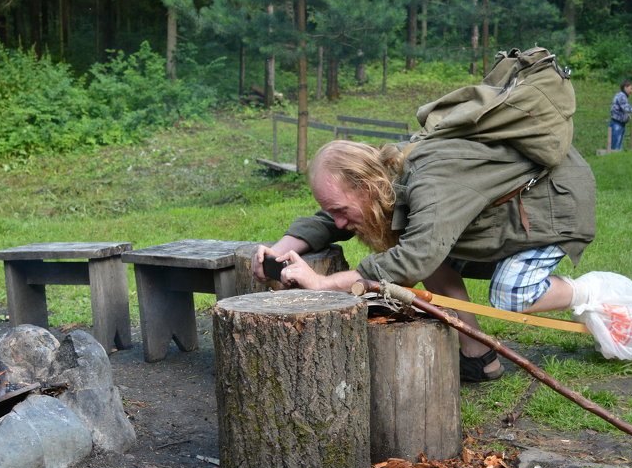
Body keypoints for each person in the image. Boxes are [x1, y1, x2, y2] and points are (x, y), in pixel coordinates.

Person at [252, 137, 597, 382]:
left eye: (342, 210)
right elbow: (329, 219)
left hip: (551, 207)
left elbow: (412, 262)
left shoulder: (427, 185)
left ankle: (591, 293)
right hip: (511, 211)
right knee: (429, 253)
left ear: (367, 186)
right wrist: (281, 249)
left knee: (509, 294)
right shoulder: (387, 179)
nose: (341, 222)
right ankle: (479, 357)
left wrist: (326, 283)